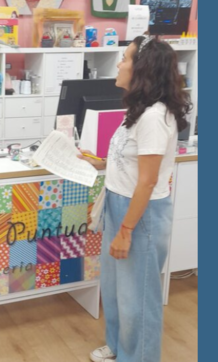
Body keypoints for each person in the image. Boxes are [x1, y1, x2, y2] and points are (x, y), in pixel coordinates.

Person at [80, 35, 191, 362]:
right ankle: (119, 347)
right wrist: (98, 162)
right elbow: (131, 162)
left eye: (126, 59)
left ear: (142, 68)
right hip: (119, 204)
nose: (119, 64)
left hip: (140, 215)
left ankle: (139, 356)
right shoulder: (138, 111)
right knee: (116, 290)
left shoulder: (155, 117)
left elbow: (148, 180)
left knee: (138, 298)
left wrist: (126, 230)